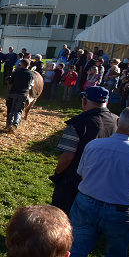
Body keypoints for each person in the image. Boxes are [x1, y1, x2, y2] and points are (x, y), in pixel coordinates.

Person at [62, 107, 129, 257]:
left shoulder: (93, 145)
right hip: (119, 212)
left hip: (84, 203)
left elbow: (83, 174)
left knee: (73, 253)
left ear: (118, 122)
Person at [50, 86, 118, 214]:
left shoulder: (79, 122)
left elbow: (68, 155)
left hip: (76, 179)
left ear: (85, 101)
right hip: (104, 178)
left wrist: (58, 173)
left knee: (63, 214)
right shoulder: (117, 120)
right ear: (106, 102)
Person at [3, 59, 34, 132]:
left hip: (13, 92)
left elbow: (10, 81)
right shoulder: (31, 74)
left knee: (11, 109)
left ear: (22, 65)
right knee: (19, 110)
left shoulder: (16, 72)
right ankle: (16, 123)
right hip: (23, 94)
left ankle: (8, 125)